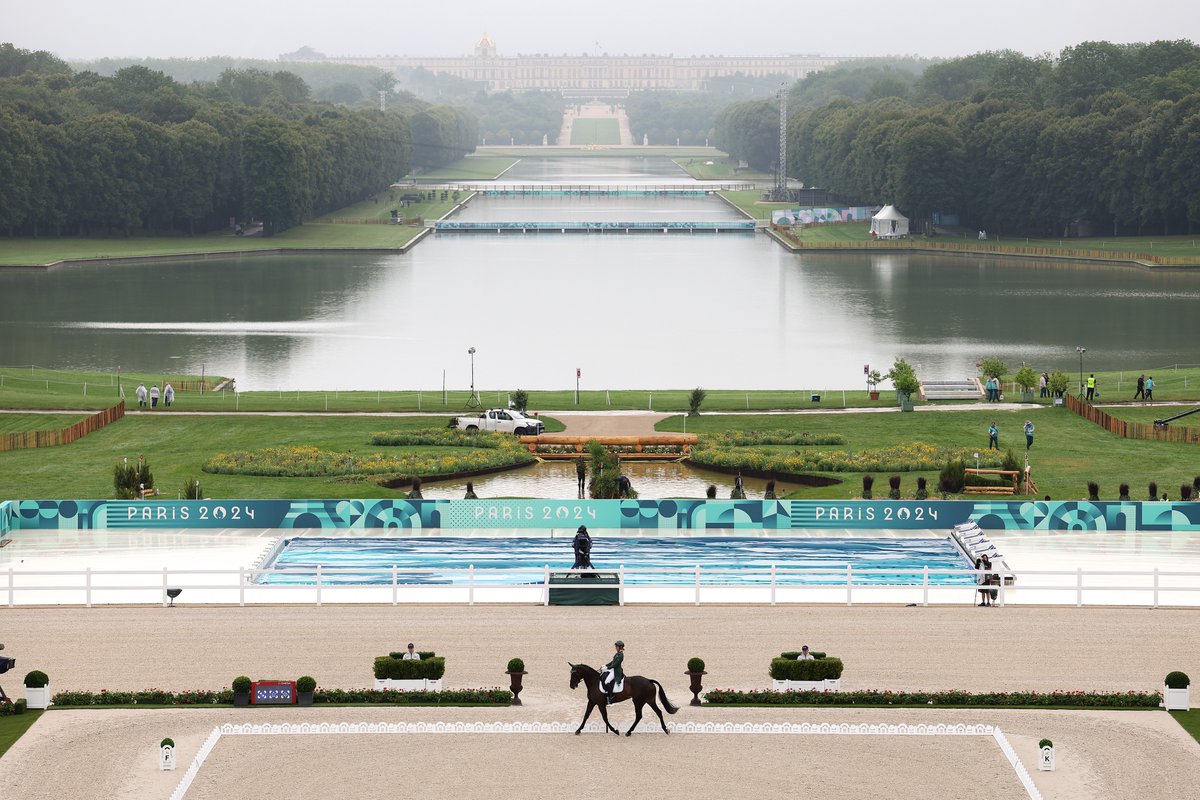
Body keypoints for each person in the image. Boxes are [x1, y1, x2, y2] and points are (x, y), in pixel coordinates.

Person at [602, 640, 625, 705]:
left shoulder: (621, 655)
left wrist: (607, 668)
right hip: (613, 669)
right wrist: (605, 665)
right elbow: (612, 662)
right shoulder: (617, 654)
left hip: (616, 671)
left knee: (607, 681)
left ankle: (611, 696)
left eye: (616, 646)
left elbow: (615, 665)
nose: (615, 647)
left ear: (620, 647)